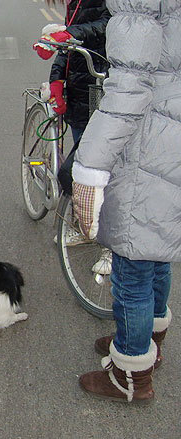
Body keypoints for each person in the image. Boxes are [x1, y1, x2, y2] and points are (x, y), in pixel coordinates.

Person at [71, 0, 180, 403]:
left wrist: (88, 167)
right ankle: (148, 343)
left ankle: (131, 374)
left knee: (131, 265)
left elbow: (129, 87)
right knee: (156, 250)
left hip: (153, 140)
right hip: (174, 132)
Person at [33, 0, 110, 145]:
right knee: (82, 151)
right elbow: (69, 46)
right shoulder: (75, 3)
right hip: (81, 90)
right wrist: (57, 78)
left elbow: (111, 24)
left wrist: (69, 33)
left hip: (103, 83)